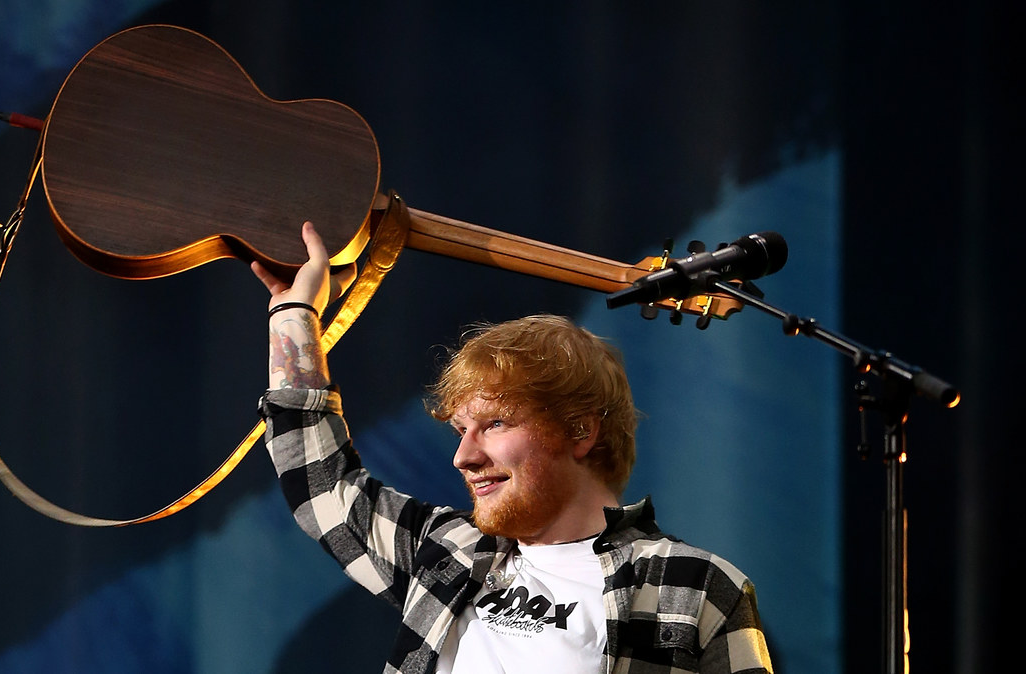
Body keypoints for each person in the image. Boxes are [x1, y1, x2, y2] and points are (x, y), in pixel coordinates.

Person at [252, 221, 773, 673]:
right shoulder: (449, 550)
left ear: (580, 431)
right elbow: (323, 485)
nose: (463, 457)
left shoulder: (695, 587)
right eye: (461, 431)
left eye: (495, 423)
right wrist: (293, 314)